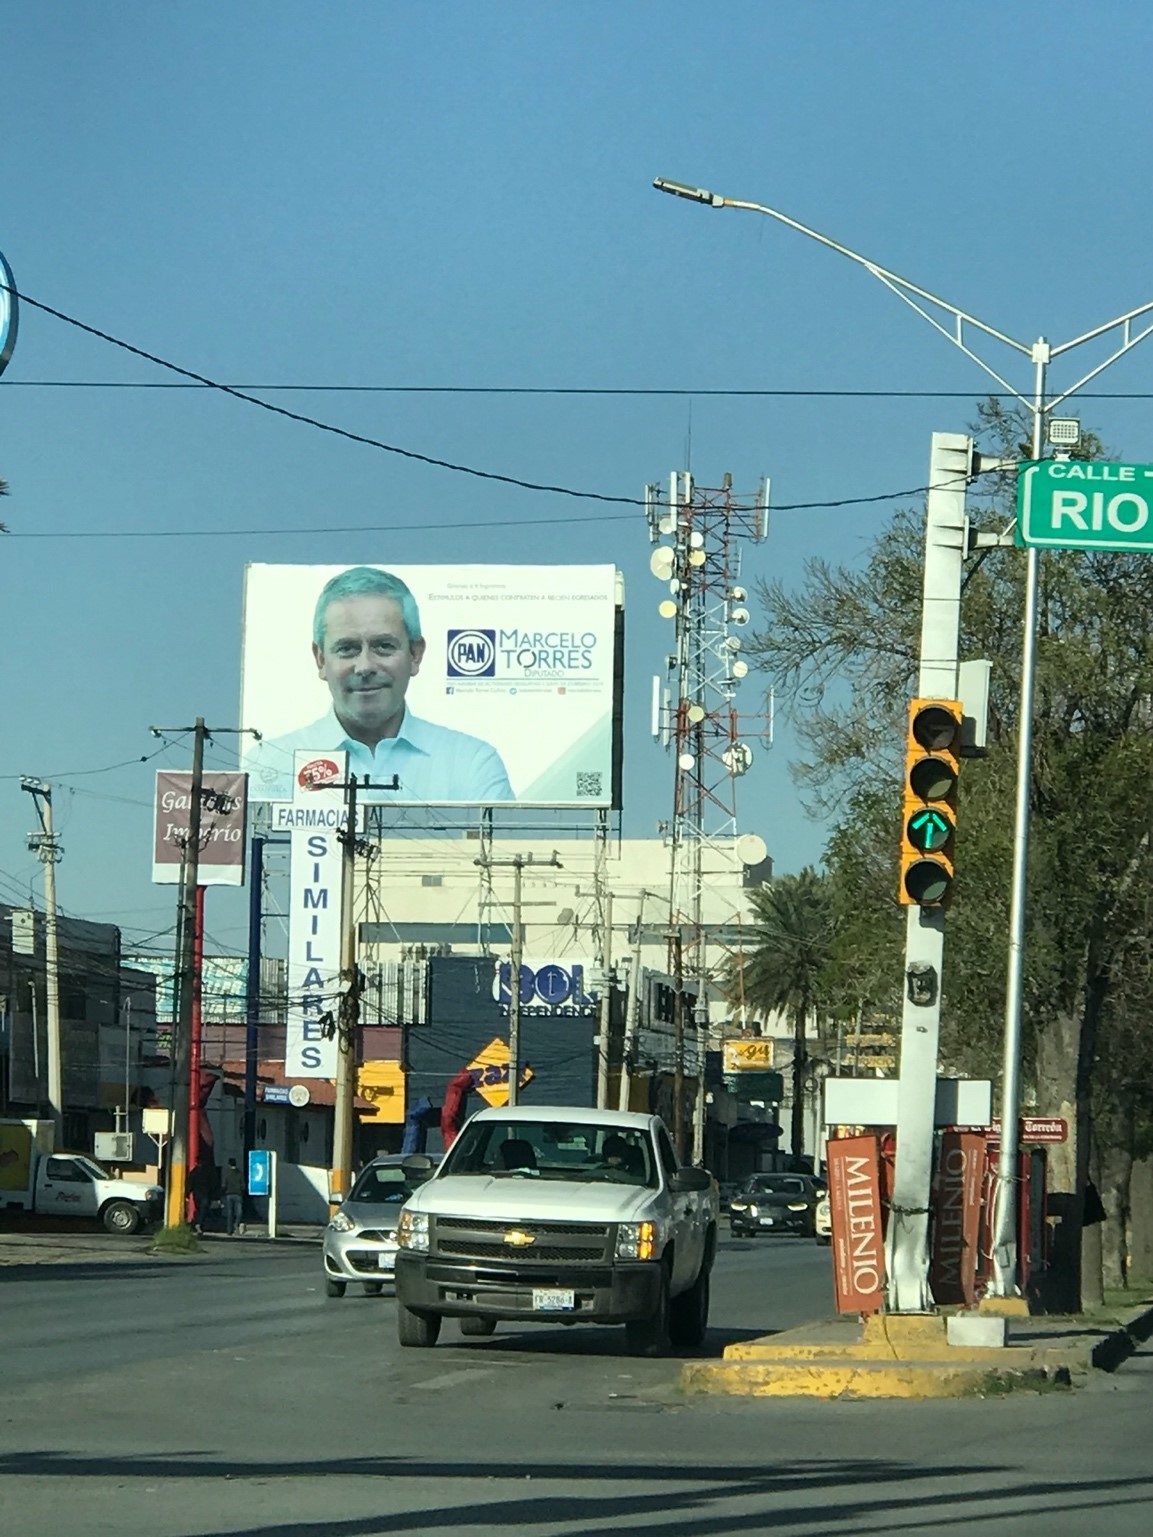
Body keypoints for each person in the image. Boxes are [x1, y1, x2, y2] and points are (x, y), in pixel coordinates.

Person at [249, 566, 515, 803]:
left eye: (384, 646)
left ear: (415, 654)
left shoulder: (472, 765)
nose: (365, 666)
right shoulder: (268, 765)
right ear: (320, 660)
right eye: (347, 648)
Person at [187, 1159, 216, 1235]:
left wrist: (187, 1194)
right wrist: (213, 1195)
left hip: (196, 1194)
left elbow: (190, 1184)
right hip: (205, 1194)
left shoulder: (193, 1172)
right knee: (203, 1209)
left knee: (199, 1209)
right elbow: (212, 1184)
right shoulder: (207, 1172)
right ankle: (199, 1224)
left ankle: (197, 1224)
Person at [222, 1157, 245, 1236]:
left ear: (229, 1164)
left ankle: (229, 1230)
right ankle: (236, 1224)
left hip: (229, 1194)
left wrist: (222, 1193)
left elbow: (224, 1185)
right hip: (238, 1194)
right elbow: (243, 1185)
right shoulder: (240, 1173)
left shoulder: (227, 1174)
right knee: (239, 1212)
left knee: (230, 1213)